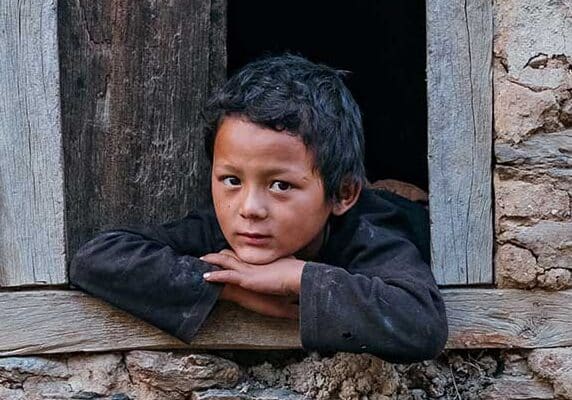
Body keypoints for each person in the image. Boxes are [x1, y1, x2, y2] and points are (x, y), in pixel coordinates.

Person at [70, 54, 448, 363]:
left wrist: (297, 276)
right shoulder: (220, 230)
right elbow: (96, 259)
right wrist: (229, 288)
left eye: (281, 185)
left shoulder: (371, 230)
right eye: (232, 180)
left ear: (342, 194)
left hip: (404, 210)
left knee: (402, 199)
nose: (249, 208)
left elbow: (420, 322)